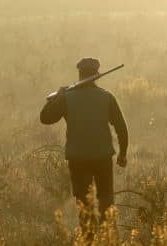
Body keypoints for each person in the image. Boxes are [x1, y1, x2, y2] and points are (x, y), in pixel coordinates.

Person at [40, 58, 128, 220]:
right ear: (97, 75)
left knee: (84, 204)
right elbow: (121, 128)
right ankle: (108, 240)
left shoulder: (66, 97)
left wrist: (58, 96)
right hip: (102, 157)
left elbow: (45, 118)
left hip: (78, 158)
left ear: (80, 75)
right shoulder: (107, 97)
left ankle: (88, 241)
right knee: (106, 201)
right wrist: (122, 154)